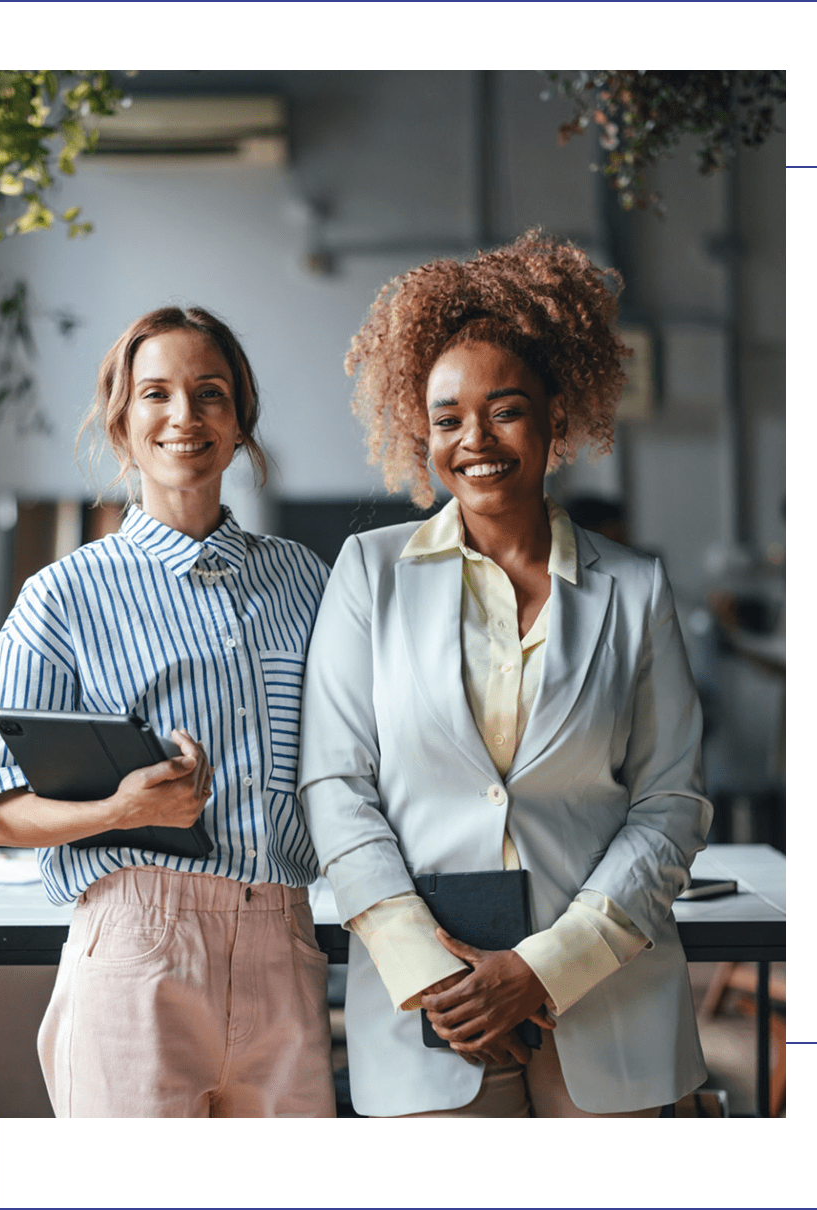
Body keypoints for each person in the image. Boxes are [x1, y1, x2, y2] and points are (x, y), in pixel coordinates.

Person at [298, 232, 713, 1118]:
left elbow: (670, 803)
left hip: (612, 1006)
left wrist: (542, 969)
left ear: (556, 415)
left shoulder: (636, 591)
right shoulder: (366, 574)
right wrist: (434, 972)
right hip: (431, 1015)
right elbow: (336, 787)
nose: (474, 440)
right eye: (447, 418)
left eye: (506, 409)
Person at [0, 307, 336, 1118]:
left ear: (241, 419)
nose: (185, 416)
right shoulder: (64, 594)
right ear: (122, 423)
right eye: (156, 394)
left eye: (210, 393)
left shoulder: (303, 581)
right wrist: (120, 809)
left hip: (285, 938)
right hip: (138, 944)